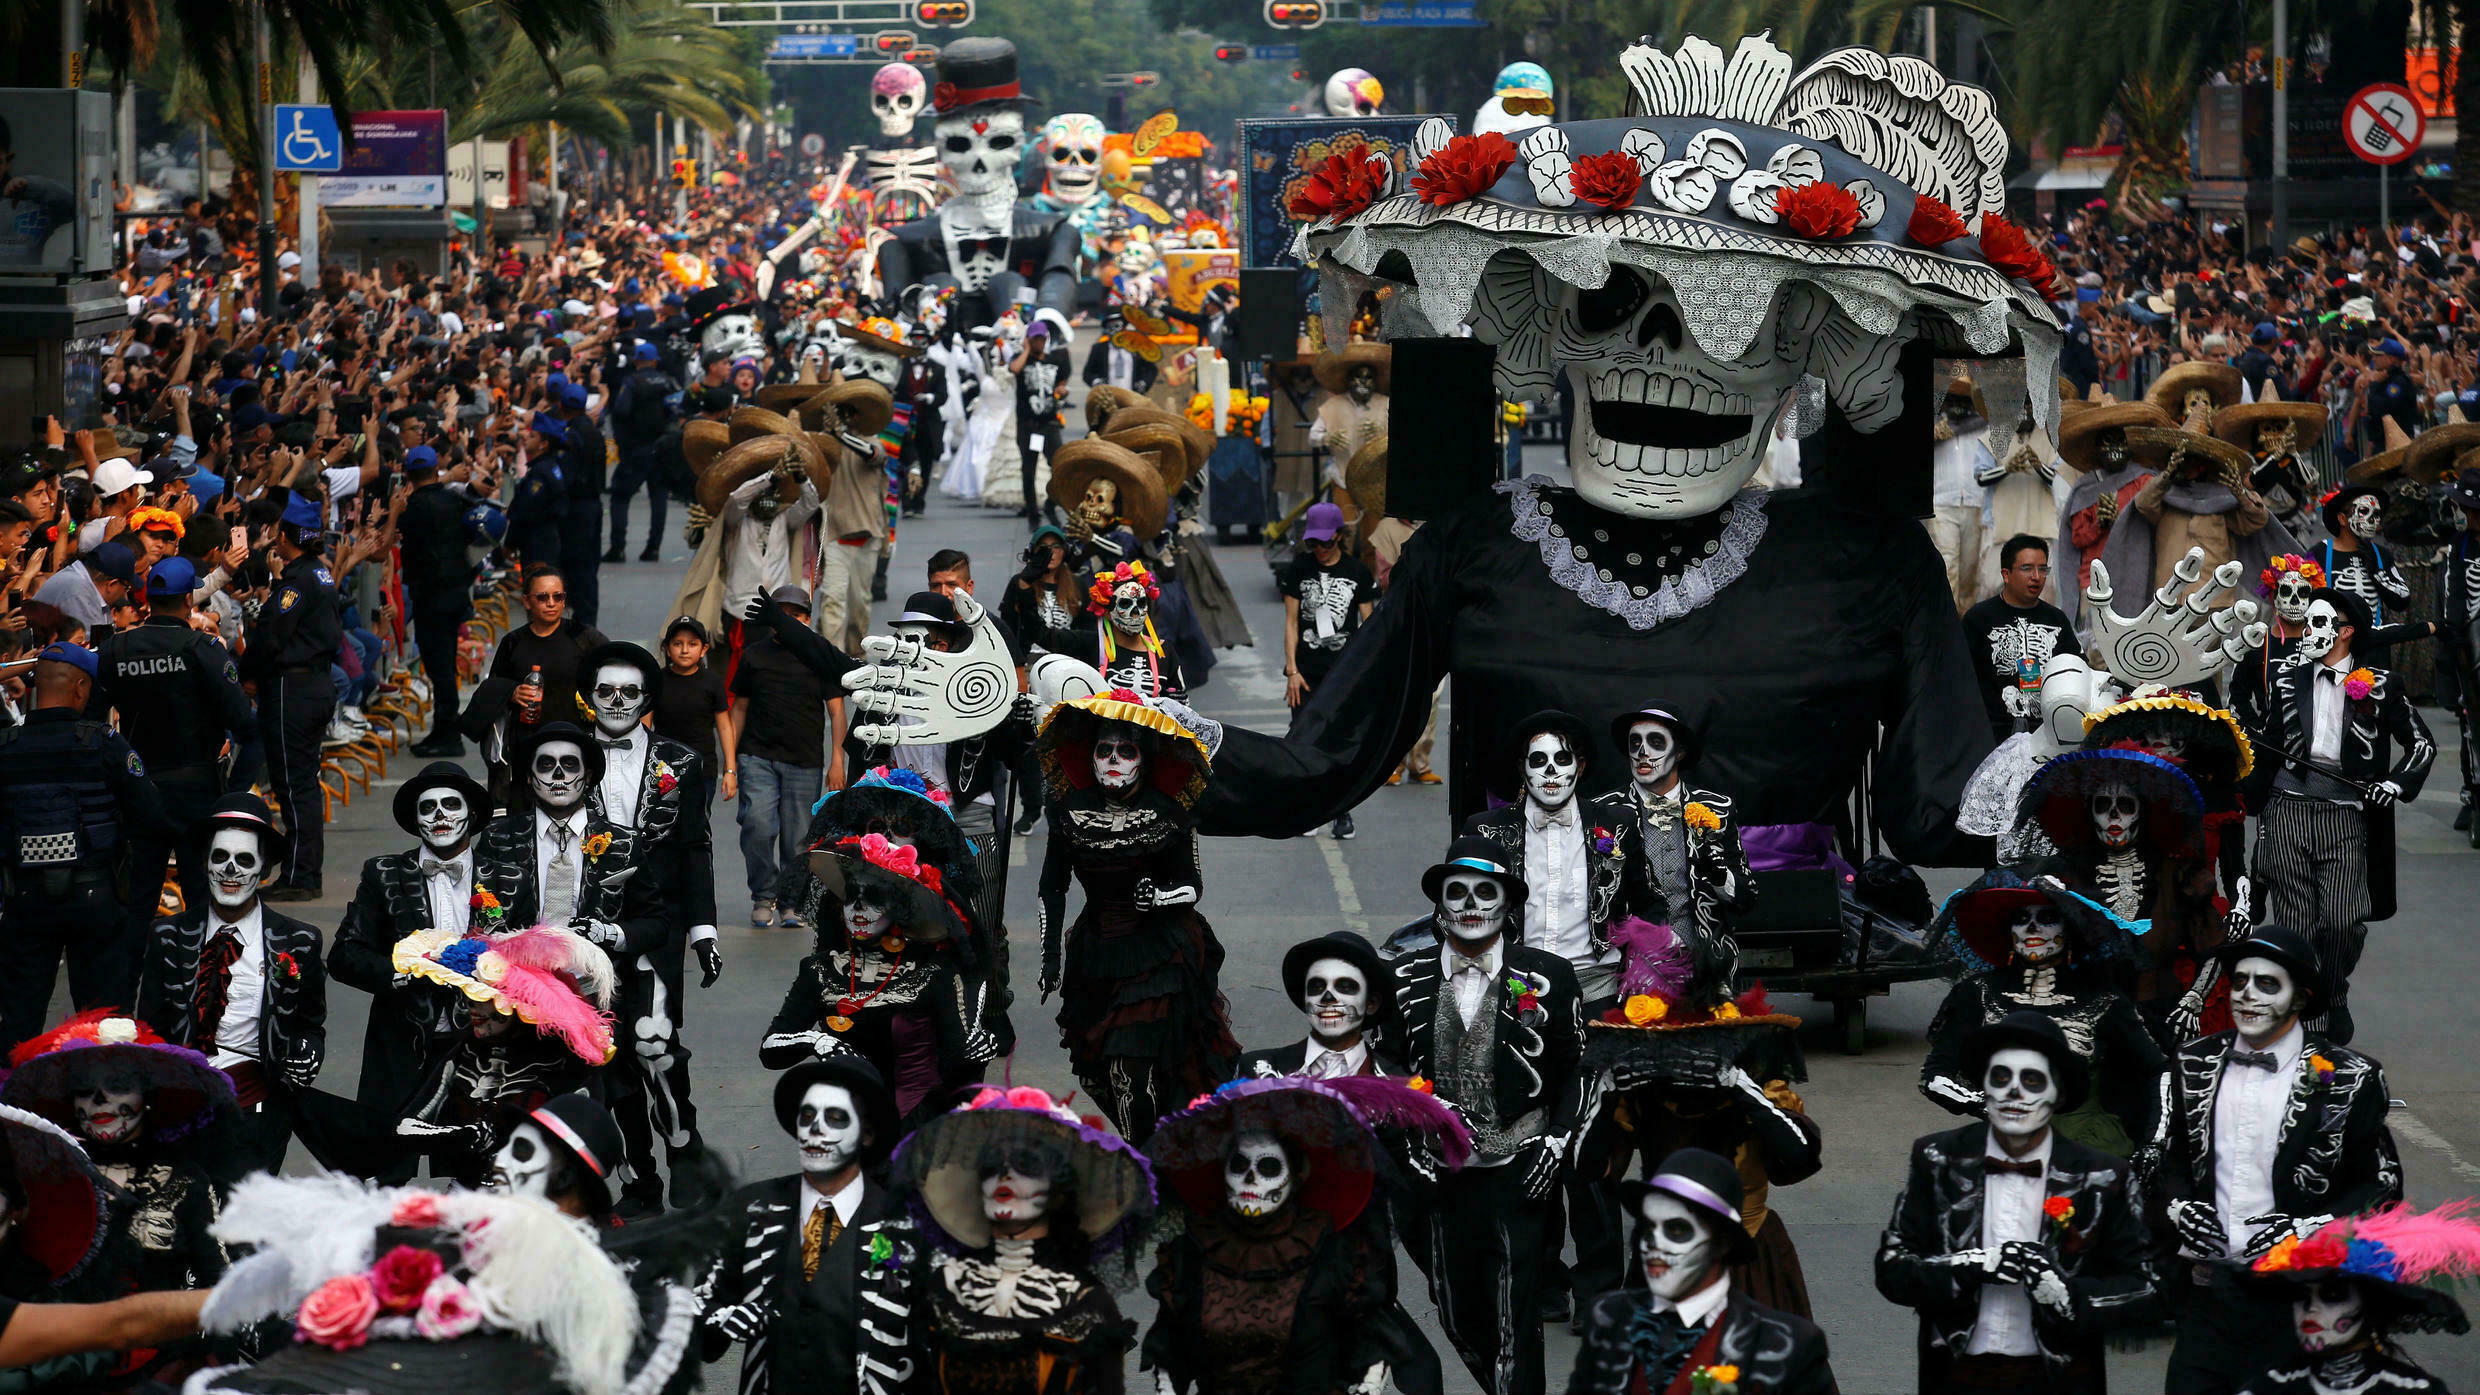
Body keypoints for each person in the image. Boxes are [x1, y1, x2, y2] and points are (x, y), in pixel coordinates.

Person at [2159, 928, 2403, 1395]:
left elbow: (2382, 1188)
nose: (2247, 995)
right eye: (2240, 981)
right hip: (2207, 1293)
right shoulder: (2193, 1060)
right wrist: (2179, 1209)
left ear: (2299, 999)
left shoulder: (2351, 1078)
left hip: (2301, 1299)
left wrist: (2306, 1229)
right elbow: (2172, 1162)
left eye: (2267, 984)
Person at [1388, 835, 1582, 1395]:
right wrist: (1424, 1107)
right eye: (1458, 892)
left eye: (1484, 892)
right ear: (1440, 906)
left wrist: (1556, 1142)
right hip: (1435, 1177)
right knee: (1455, 1310)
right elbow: (1389, 1062)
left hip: (1518, 1170)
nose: (1471, 904)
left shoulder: (1549, 974)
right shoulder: (1405, 977)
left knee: (1513, 1318)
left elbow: (1576, 1067)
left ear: (1506, 904)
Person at [1875, 1011, 2157, 1394]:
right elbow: (1892, 1271)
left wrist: (2065, 1293)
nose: (2014, 1092)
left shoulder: (2102, 1176)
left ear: (2056, 1093)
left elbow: (2145, 1288)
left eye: (2032, 1080)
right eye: (2001, 1077)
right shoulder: (1938, 1158)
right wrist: (1968, 1267)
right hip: (1957, 1375)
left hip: (2060, 1378)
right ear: (1985, 1089)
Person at [1142, 1075, 1462, 1395]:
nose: (1251, 1181)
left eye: (1268, 1167)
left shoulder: (1328, 1250)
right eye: (1239, 1165)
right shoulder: (1198, 1250)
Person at [1037, 691, 1239, 1141]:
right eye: (1104, 750)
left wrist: (1159, 899)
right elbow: (1052, 888)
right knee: (1097, 1070)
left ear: (1142, 761)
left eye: (1125, 751)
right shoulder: (1068, 814)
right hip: (1095, 954)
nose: (1113, 759)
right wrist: (1050, 959)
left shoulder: (1168, 814)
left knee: (1133, 1066)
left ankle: (1146, 1163)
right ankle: (1154, 1144)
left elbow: (1192, 887)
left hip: (1158, 956)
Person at [2245, 589, 2433, 1042]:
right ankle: (2305, 1021)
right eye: (2305, 622)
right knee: (2297, 920)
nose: (2305, 631)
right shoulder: (2287, 680)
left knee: (2343, 921)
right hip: (2288, 807)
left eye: (2316, 623)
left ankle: (2332, 991)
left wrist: (2393, 783)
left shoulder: (2381, 684)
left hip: (2347, 814)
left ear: (2345, 632)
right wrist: (2246, 797)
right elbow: (2268, 745)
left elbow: (2421, 743)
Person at [577, 642, 720, 1216]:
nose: (616, 702)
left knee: (654, 1046)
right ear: (589, 696)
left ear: (647, 699)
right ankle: (638, 1182)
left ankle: (684, 1145)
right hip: (582, 935)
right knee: (606, 1063)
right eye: (605, 691)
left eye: (629, 692)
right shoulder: (559, 757)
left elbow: (695, 849)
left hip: (655, 928)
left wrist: (704, 930)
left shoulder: (680, 762)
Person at [894, 1083, 1152, 1395]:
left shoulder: (1082, 1303)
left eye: (1026, 1167)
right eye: (993, 1167)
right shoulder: (942, 1291)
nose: (1006, 1176)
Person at [763, 805, 1010, 1127]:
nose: (859, 909)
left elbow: (956, 1062)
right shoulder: (820, 970)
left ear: (899, 909)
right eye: (852, 898)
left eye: (874, 898)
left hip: (917, 1127)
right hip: (846, 1130)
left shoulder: (931, 972)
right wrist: (818, 1041)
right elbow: (770, 1048)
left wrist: (978, 1047)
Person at [132, 794, 325, 1187]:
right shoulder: (168, 935)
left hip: (257, 1107)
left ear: (264, 871)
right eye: (220, 858)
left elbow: (310, 1024)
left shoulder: (298, 940)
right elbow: (148, 1026)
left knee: (244, 1225)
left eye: (245, 860)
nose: (230, 871)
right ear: (205, 864)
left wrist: (307, 1055)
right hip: (181, 1108)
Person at [0, 642, 178, 1054]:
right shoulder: (103, 743)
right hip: (96, 899)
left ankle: (15, 1107)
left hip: (24, 901)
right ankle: (104, 1108)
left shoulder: (6, 748)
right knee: (103, 1025)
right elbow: (151, 815)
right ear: (81, 688)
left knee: (19, 1020)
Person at [699, 1057, 914, 1395]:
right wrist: (716, 1319)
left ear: (867, 1134)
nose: (816, 1128)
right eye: (808, 1115)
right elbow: (701, 1315)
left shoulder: (904, 1225)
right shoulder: (753, 1208)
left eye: (836, 1118)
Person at [326, 761, 496, 1183]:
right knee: (385, 1169)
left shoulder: (508, 876)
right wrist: (400, 972)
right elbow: (345, 955)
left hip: (476, 1045)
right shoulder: (383, 873)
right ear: (416, 820)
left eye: (450, 805)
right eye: (429, 808)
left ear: (470, 814)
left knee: (475, 1168)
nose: (440, 815)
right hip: (400, 1042)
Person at [1920, 870, 2161, 1157]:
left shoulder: (2102, 999)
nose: (2032, 928)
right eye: (2021, 920)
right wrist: (1990, 1105)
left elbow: (2158, 1069)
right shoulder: (1978, 992)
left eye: (2046, 919)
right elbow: (1935, 1074)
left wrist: (2154, 1144)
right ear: (2010, 932)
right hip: (2001, 1143)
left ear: (2068, 929)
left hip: (2086, 1146)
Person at [1, 1011, 235, 1296]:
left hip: (157, 1333)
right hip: (64, 1332)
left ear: (145, 1098)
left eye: (118, 1087)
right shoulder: (52, 1174)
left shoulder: (184, 1180)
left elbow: (218, 1277)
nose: (100, 1100)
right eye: (86, 1090)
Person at [1568, 1147, 1835, 1394]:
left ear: (1720, 1243)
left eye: (1676, 1230)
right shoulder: (1608, 1318)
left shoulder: (1789, 1346)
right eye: (1649, 1227)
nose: (1653, 1245)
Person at [90, 555, 259, 923]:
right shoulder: (204, 650)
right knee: (203, 900)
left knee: (136, 902)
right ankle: (198, 976)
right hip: (197, 788)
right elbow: (246, 725)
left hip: (138, 789)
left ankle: (129, 976)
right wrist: (236, 790)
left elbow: (91, 724)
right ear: (188, 601)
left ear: (149, 600)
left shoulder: (115, 650)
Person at [2227, 1203, 2480, 1395]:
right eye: (2301, 1294)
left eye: (2333, 1295)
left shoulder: (2415, 1390)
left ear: (2371, 1305)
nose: (2311, 1308)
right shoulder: (2271, 1386)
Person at [239, 491, 342, 900]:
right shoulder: (318, 572)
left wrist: (248, 676)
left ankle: (301, 875)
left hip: (292, 688)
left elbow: (269, 638)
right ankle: (304, 869)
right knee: (303, 781)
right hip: (313, 684)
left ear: (288, 536)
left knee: (293, 784)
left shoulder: (296, 583)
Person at [1609, 703, 1753, 990]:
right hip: (1629, 971)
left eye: (1655, 741)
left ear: (1679, 752)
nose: (1642, 752)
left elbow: (1746, 899)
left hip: (1706, 966)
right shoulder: (1606, 812)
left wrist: (1720, 877)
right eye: (1635, 742)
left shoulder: (1716, 809)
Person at [732, 586, 846, 928]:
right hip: (757, 756)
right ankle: (763, 894)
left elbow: (837, 712)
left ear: (807, 619)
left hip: (805, 760)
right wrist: (730, 762)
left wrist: (837, 759)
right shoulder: (754, 656)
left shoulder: (819, 656)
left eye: (795, 615)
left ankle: (791, 899)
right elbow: (739, 708)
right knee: (757, 825)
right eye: (780, 614)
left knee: (799, 837)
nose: (787, 621)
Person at [1282, 502, 1376, 835]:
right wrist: (1292, 670)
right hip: (1306, 672)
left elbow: (1369, 627)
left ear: (1339, 536)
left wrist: (1364, 675)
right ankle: (1310, 809)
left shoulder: (1357, 572)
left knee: (1340, 744)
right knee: (1303, 741)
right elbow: (1292, 623)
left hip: (1345, 675)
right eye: (1314, 543)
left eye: (1326, 542)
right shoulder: (1298, 570)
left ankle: (1341, 811)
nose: (1320, 549)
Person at [476, 565, 607, 799]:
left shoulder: (583, 637)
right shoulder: (513, 642)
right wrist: (511, 692)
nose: (551, 603)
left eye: (558, 596)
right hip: (527, 745)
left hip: (576, 741)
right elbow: (492, 689)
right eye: (542, 597)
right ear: (527, 601)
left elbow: (614, 670)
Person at [397, 445, 483, 756]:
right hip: (455, 593)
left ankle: (448, 733)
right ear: (436, 470)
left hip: (430, 598)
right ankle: (444, 729)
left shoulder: (411, 508)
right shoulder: (454, 500)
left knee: (440, 667)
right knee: (444, 665)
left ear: (407, 473)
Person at [1960, 536, 2084, 746]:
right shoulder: (1978, 619)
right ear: (2006, 575)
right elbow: (1961, 679)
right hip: (1993, 735)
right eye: (2027, 568)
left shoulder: (2056, 619)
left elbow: (2079, 669)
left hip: (2049, 733)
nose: (2036, 577)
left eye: (2043, 569)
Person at [1236, 930, 1398, 1079]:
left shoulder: (1405, 1088)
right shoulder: (1258, 1071)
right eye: (1317, 986)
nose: (1327, 996)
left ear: (1371, 1003)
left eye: (1345, 986)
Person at [652, 615, 735, 804]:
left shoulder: (712, 683)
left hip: (702, 769)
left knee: (697, 827)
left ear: (704, 649)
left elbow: (724, 727)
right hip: (663, 768)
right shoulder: (657, 681)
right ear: (666, 647)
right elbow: (645, 727)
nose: (684, 650)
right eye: (677, 643)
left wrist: (730, 770)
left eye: (692, 644)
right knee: (664, 826)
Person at [1929, 373, 1995, 610]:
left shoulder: (1982, 427)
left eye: (1963, 399)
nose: (1957, 404)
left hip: (1975, 503)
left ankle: (1965, 623)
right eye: (1952, 398)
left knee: (1970, 571)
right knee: (1948, 567)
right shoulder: (1934, 427)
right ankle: (1948, 624)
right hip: (1942, 503)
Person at [608, 341, 677, 563]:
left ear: (636, 361)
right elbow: (676, 410)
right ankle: (653, 547)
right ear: (655, 361)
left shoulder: (631, 382)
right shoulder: (667, 382)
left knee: (620, 496)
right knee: (658, 498)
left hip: (636, 449)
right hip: (662, 449)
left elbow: (620, 409)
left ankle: (617, 547)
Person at [2314, 484, 2414, 629]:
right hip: (2334, 644)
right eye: (2364, 511)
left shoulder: (2381, 554)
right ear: (2342, 519)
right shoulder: (2319, 554)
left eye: (2376, 514)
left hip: (2374, 643)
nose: (2372, 520)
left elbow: (2402, 601)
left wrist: (2377, 574)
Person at [2442, 469, 2480, 845]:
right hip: (2469, 646)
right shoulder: (2459, 546)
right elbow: (2452, 596)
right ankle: (2473, 795)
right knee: (2470, 726)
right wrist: (2454, 639)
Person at [556, 383, 609, 626]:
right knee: (588, 566)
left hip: (576, 508)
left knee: (579, 567)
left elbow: (567, 476)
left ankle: (583, 622)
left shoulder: (570, 436)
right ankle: (587, 619)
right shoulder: (594, 431)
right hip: (592, 505)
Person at [1012, 311, 1073, 520]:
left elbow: (1061, 381)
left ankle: (1051, 502)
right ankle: (1032, 512)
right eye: (1035, 339)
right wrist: (1026, 350)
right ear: (1029, 339)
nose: (1039, 342)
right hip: (1029, 426)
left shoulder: (1055, 360)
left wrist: (1061, 389)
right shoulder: (1021, 360)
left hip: (1049, 423)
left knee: (1059, 466)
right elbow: (1014, 369)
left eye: (1041, 338)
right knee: (1029, 469)